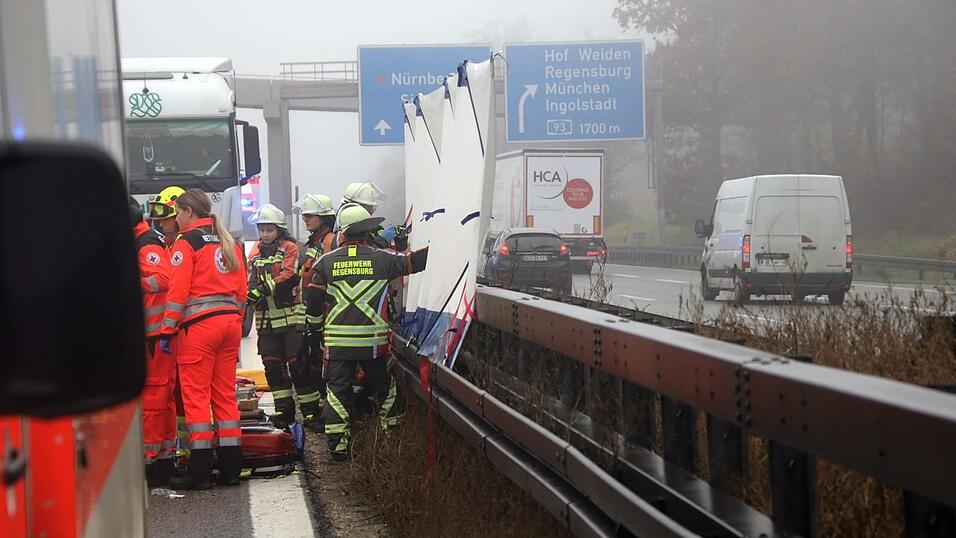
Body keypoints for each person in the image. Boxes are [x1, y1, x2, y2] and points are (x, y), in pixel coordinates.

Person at [311, 203, 429, 460]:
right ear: (367, 232)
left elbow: (312, 303)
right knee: (385, 389)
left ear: (342, 233)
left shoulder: (325, 262)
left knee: (336, 393)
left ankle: (339, 448)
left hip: (338, 344)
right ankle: (392, 440)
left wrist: (313, 333)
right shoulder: (384, 258)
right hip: (374, 345)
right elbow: (417, 261)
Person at [161, 188, 246, 490]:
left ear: (188, 212)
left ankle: (199, 473)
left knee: (196, 399)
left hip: (199, 330)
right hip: (229, 326)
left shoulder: (187, 243)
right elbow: (241, 293)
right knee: (224, 396)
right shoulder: (229, 242)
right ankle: (231, 468)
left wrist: (167, 330)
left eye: (178, 213)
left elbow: (178, 294)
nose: (176, 219)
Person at [246, 204, 319, 429]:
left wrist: (262, 289)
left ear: (279, 230)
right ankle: (284, 411)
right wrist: (248, 294)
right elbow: (249, 278)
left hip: (290, 320)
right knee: (272, 368)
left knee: (298, 367)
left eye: (270, 229)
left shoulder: (290, 248)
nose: (265, 234)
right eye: (262, 229)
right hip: (266, 323)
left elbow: (289, 276)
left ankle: (310, 412)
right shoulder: (254, 252)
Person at [131, 197, 176, 487]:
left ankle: (152, 460)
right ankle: (164, 455)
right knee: (163, 399)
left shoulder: (145, 244)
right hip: (155, 335)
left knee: (153, 399)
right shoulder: (142, 241)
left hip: (153, 335)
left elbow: (163, 279)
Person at [291, 194, 338, 431]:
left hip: (327, 317)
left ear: (324, 217)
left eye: (309, 215)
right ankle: (323, 412)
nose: (305, 219)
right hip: (313, 317)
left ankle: (331, 416)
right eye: (305, 215)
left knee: (326, 367)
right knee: (313, 366)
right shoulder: (315, 244)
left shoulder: (330, 242)